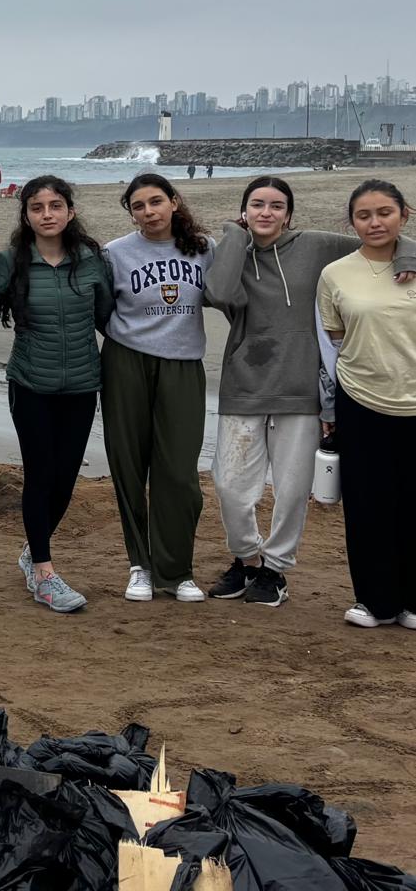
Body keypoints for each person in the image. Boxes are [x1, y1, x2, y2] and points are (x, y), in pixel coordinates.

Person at [206, 175, 416, 607]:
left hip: (301, 386)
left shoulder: (316, 246)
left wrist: (409, 254)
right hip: (243, 383)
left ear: (289, 214)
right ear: (245, 210)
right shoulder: (231, 251)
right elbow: (219, 292)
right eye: (257, 205)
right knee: (229, 484)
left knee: (291, 488)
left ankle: (275, 570)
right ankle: (246, 558)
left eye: (277, 206)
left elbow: (378, 238)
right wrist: (233, 234)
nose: (267, 212)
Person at [0, 175, 114, 614]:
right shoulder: (10, 262)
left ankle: (32, 551)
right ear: (27, 215)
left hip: (80, 384)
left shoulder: (92, 260)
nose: (47, 214)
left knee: (65, 478)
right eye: (37, 208)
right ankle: (43, 571)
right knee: (40, 474)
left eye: (55, 206)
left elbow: (109, 320)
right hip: (29, 384)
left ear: (70, 212)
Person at [101, 173, 215, 605]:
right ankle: (140, 567)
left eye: (155, 202)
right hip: (126, 361)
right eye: (138, 206)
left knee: (179, 472)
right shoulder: (114, 253)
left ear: (174, 201)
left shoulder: (203, 249)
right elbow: (101, 307)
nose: (148, 212)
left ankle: (177, 570)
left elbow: (233, 289)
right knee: (129, 464)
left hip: (184, 365)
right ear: (130, 212)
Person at [317, 180, 416, 628]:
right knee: (367, 505)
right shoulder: (336, 274)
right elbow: (335, 338)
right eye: (364, 215)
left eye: (384, 212)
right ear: (352, 222)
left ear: (404, 215)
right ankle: (374, 601)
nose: (375, 222)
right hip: (360, 399)